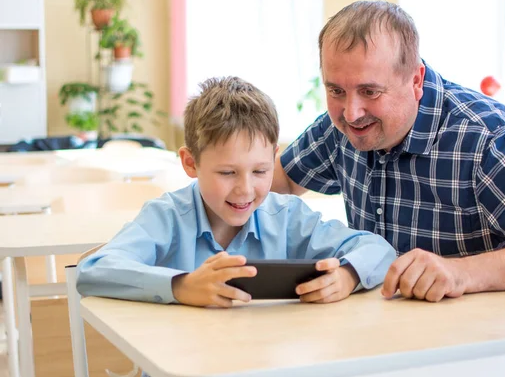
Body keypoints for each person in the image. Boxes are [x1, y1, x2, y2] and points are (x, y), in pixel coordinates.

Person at [272, 0, 505, 303]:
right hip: (385, 332)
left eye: (370, 91)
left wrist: (462, 273)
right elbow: (275, 180)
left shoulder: (485, 137)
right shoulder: (341, 125)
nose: (351, 112)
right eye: (336, 90)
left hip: (482, 344)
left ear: (416, 80)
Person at [77, 76, 396, 309]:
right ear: (191, 162)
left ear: (274, 157)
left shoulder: (286, 216)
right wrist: (182, 286)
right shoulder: (168, 217)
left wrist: (348, 275)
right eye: (227, 173)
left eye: (260, 171)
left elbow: (376, 248)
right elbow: (95, 271)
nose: (245, 189)